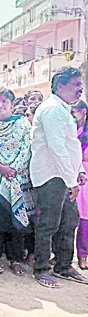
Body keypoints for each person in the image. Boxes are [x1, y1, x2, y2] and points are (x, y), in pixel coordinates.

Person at [30, 67, 88, 288]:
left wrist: (78, 172)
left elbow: (71, 145)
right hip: (51, 176)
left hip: (64, 175)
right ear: (59, 86)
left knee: (69, 222)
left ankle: (63, 266)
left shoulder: (63, 109)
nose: (80, 89)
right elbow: (56, 148)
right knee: (48, 224)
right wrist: (71, 179)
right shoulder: (53, 109)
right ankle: (42, 269)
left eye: (80, 85)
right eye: (75, 85)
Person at [0, 88, 33, 276]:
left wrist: (13, 170)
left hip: (17, 177)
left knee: (16, 215)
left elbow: (27, 147)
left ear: (12, 104)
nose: (0, 104)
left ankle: (16, 258)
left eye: (5, 101)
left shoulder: (22, 124)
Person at [72, 100, 88, 270]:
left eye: (74, 112)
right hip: (71, 174)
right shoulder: (69, 129)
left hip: (85, 177)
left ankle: (83, 254)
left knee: (85, 218)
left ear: (83, 112)